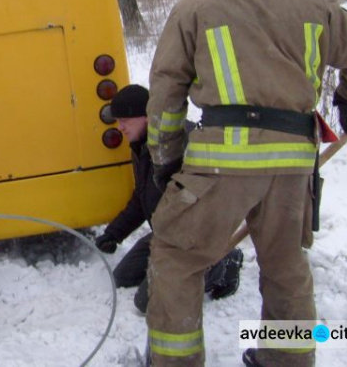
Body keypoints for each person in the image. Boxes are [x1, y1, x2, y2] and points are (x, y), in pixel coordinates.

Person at [144, 0, 347, 367]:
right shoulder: (315, 5)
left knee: (176, 257)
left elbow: (166, 95)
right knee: (285, 266)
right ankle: (287, 360)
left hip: (219, 165)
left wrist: (166, 159)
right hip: (292, 166)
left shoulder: (195, 6)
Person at [94, 85, 243, 313]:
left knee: (147, 302)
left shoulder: (180, 142)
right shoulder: (141, 147)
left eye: (125, 120)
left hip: (194, 234)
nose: (120, 127)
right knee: (123, 277)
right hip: (165, 232)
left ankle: (223, 264)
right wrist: (114, 233)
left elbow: (212, 192)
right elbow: (142, 197)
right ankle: (167, 270)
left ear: (146, 116)